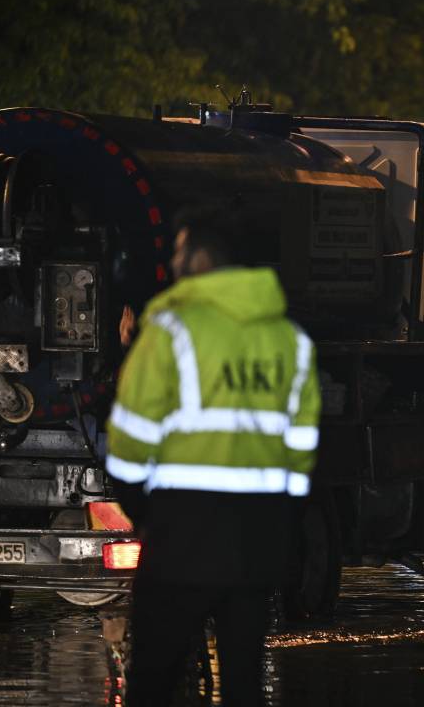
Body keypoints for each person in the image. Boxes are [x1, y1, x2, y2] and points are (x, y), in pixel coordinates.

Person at [106, 205, 320, 706]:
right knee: (244, 682)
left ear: (200, 258)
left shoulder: (171, 331)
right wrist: (277, 518)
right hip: (257, 543)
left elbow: (129, 443)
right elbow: (302, 451)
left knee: (154, 681)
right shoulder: (289, 340)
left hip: (181, 535)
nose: (173, 261)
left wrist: (146, 516)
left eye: (179, 249)